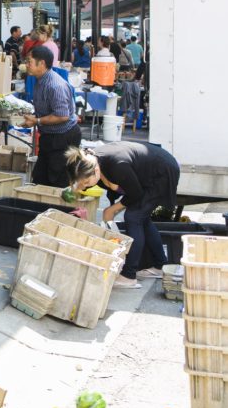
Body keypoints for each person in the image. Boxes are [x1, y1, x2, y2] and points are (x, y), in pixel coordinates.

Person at [65, 143, 178, 288]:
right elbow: (118, 185)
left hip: (162, 171)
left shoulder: (117, 165)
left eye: (86, 183)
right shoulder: (90, 158)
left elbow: (135, 194)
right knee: (141, 218)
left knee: (133, 217)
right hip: (150, 169)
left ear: (96, 170)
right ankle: (161, 266)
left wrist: (112, 209)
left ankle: (129, 276)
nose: (85, 186)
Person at [22, 46, 81, 189]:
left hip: (63, 136)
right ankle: (42, 209)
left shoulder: (55, 85)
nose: (26, 65)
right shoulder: (39, 80)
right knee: (40, 178)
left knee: (57, 180)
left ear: (41, 64)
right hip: (49, 135)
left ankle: (58, 210)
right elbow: (45, 109)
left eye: (29, 61)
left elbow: (62, 116)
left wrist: (37, 121)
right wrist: (34, 118)